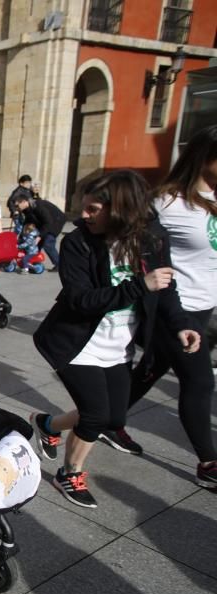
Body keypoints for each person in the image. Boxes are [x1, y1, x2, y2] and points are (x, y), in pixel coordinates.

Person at [30, 170, 200, 508]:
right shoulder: (77, 242)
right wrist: (140, 285)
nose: (84, 216)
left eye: (93, 209)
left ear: (120, 210)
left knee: (113, 417)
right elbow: (80, 300)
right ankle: (70, 474)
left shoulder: (151, 238)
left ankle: (47, 424)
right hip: (76, 343)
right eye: (84, 208)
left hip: (119, 345)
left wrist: (181, 324)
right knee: (94, 416)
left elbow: (165, 286)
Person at [126, 125, 217, 488]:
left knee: (147, 371)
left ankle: (94, 421)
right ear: (205, 156)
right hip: (174, 307)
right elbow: (139, 252)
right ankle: (209, 462)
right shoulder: (166, 202)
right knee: (199, 380)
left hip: (206, 305)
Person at [13, 192, 64, 271]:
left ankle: (59, 264)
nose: (16, 208)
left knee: (48, 242)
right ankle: (33, 260)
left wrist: (40, 236)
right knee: (34, 241)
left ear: (24, 202)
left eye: (17, 205)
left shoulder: (38, 206)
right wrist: (21, 235)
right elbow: (27, 221)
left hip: (56, 220)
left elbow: (48, 222)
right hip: (44, 222)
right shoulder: (26, 209)